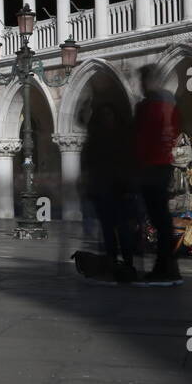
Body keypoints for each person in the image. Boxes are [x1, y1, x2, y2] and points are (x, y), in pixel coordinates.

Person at [133, 65, 182, 285]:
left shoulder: (150, 106)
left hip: (150, 167)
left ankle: (166, 268)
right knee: (161, 219)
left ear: (150, 81)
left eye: (143, 80)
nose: (141, 85)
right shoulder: (171, 105)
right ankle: (168, 266)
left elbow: (141, 138)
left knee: (159, 219)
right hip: (162, 165)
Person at [81, 103, 137, 280]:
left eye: (109, 114)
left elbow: (130, 163)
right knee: (107, 230)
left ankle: (128, 264)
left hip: (120, 190)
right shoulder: (95, 140)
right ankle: (112, 262)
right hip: (103, 190)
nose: (107, 118)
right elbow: (89, 166)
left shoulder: (122, 139)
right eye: (103, 115)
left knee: (123, 229)